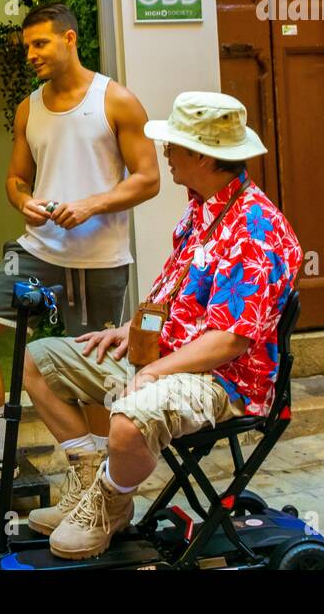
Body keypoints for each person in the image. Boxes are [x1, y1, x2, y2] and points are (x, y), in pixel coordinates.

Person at [22, 91, 302, 560]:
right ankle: (92, 475)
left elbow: (230, 340)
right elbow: (171, 296)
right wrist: (130, 334)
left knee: (129, 422)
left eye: (174, 145)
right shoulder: (203, 208)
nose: (165, 154)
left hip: (222, 382)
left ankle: (110, 503)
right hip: (170, 358)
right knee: (37, 361)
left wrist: (154, 372)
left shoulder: (256, 229)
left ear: (203, 156)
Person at [0, 3, 160, 480]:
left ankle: (102, 477)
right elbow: (15, 179)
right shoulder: (29, 108)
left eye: (40, 44)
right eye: (27, 47)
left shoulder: (116, 100)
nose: (31, 55)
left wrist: (92, 205)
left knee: (91, 376)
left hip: (100, 261)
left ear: (70, 39)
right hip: (35, 253)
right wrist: (24, 202)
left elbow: (148, 179)